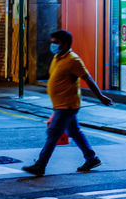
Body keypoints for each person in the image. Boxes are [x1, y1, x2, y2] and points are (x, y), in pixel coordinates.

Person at [22, 30, 113, 176]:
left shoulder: (73, 60)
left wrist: (100, 96)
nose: (52, 45)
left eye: (55, 42)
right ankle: (91, 158)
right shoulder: (58, 57)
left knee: (53, 134)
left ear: (64, 44)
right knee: (74, 132)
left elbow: (87, 78)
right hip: (61, 105)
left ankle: (40, 165)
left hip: (67, 106)